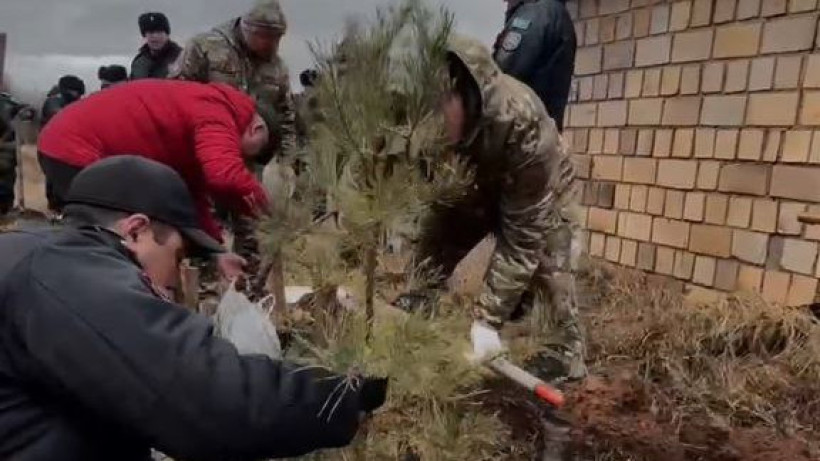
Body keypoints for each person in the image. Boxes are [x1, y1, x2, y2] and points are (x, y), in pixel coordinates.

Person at [0, 155, 387, 460]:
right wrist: (346, 395)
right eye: (179, 255)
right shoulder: (67, 273)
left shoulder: (37, 256)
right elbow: (205, 395)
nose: (174, 278)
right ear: (136, 231)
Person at [410, 35, 584, 459]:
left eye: (438, 110)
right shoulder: (431, 124)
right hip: (476, 186)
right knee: (427, 260)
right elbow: (429, 211)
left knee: (551, 294)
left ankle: (561, 414)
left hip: (539, 193)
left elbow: (523, 236)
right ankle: (418, 370)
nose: (432, 126)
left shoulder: (521, 121)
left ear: (462, 95)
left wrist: (486, 318)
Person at [37, 79, 275, 279]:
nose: (245, 161)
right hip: (74, 149)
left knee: (118, 240)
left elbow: (191, 202)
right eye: (254, 154)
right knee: (116, 241)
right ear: (257, 128)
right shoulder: (217, 110)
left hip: (65, 145)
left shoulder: (202, 122)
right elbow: (224, 176)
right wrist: (273, 213)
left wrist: (217, 252)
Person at [169, 0, 296, 165]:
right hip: (205, 151)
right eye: (266, 36)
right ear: (248, 29)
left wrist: (287, 162)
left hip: (253, 159)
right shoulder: (204, 47)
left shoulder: (278, 68)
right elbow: (176, 96)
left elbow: (286, 117)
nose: (271, 43)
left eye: (277, 37)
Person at [493, 0, 576, 132]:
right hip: (542, 135)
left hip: (520, 135)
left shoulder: (535, 15)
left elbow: (501, 83)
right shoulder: (555, 13)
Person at [0, 92, 34, 215]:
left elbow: (27, 109)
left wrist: (24, 110)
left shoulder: (5, 102)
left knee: (5, 183)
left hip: (5, 153)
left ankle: (5, 209)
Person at [131, 12, 183, 80]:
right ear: (145, 35)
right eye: (151, 32)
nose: (155, 36)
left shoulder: (181, 58)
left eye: (159, 32)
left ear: (167, 34)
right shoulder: (139, 62)